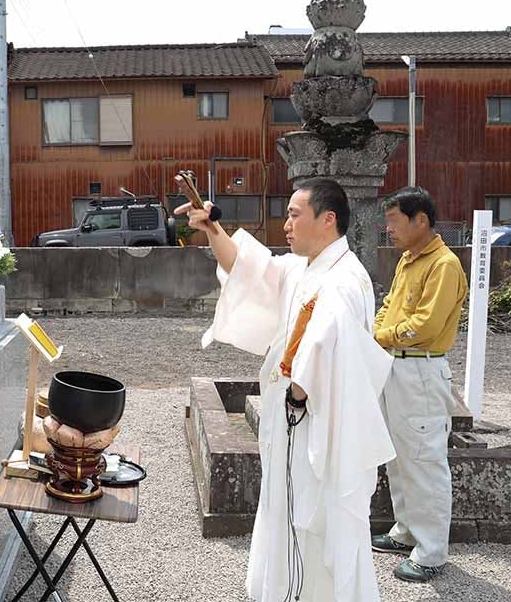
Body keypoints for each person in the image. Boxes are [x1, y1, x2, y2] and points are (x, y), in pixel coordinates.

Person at [183, 178, 395, 602]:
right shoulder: (307, 266)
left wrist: (297, 394)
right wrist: (212, 228)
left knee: (313, 517)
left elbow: (326, 347)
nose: (286, 225)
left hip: (317, 427)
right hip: (295, 421)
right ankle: (283, 590)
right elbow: (250, 269)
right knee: (285, 506)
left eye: (295, 215)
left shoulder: (343, 279)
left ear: (328, 219)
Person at [371, 187, 467, 583]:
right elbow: (387, 307)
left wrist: (380, 336)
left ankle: (431, 552)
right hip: (397, 366)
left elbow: (425, 325)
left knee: (424, 462)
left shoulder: (444, 264)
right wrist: (380, 333)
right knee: (398, 457)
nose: (389, 229)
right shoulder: (409, 260)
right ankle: (407, 531)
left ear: (421, 220)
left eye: (394, 221)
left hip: (421, 370)